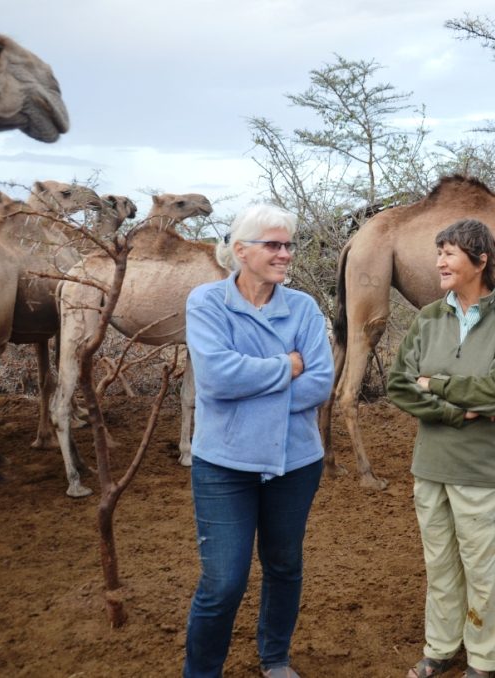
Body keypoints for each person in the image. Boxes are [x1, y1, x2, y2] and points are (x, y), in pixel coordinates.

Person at [183, 204, 333, 678]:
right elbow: (215, 379)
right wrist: (286, 366)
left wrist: (251, 390)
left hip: (296, 462)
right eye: (273, 244)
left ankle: (275, 659)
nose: (285, 253)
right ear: (240, 250)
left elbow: (320, 383)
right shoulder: (206, 302)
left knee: (285, 565)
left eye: (288, 244)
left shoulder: (304, 308)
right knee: (223, 582)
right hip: (224, 465)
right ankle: (202, 672)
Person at [387, 219, 495, 678]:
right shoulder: (428, 318)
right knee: (441, 566)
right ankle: (440, 648)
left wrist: (436, 383)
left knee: (487, 571)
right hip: (429, 468)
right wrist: (454, 409)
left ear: (481, 259)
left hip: (484, 470)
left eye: (449, 253)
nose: (439, 263)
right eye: (439, 253)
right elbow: (398, 385)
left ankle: (485, 661)